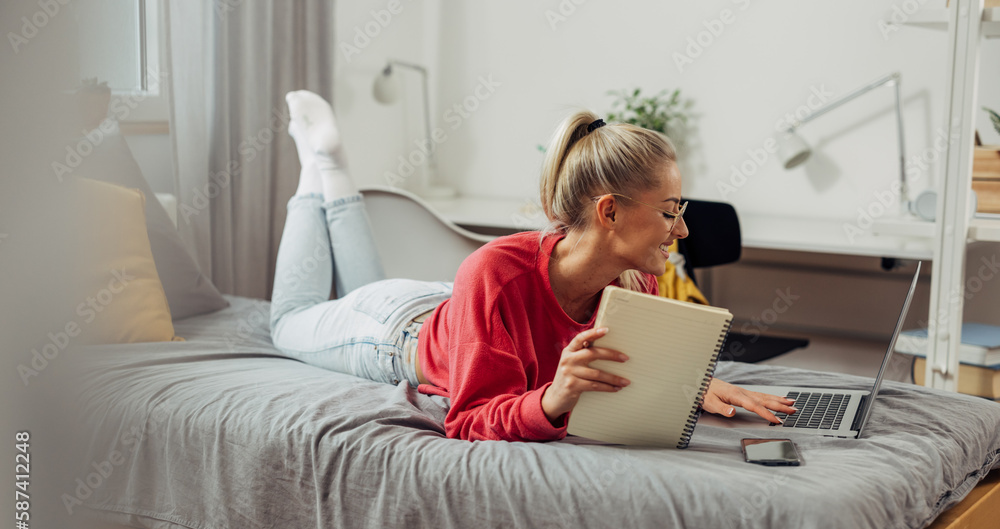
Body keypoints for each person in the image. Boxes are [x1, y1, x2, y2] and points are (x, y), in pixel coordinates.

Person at [271, 91, 796, 442]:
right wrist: (551, 399)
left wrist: (690, 385)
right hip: (395, 335)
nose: (681, 231)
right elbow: (469, 419)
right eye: (668, 212)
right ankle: (319, 167)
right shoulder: (495, 272)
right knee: (288, 320)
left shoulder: (639, 281)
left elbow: (628, 374)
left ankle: (330, 167)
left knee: (361, 283)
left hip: (459, 312)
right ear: (609, 211)